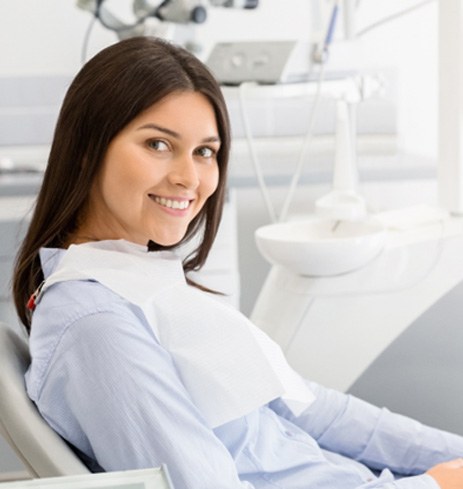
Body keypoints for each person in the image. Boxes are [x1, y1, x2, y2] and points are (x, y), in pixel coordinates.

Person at [11, 36, 463, 489]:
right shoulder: (97, 325)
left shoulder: (134, 280)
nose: (189, 178)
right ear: (88, 147)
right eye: (158, 144)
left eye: (205, 151)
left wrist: (451, 461)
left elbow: (310, 409)